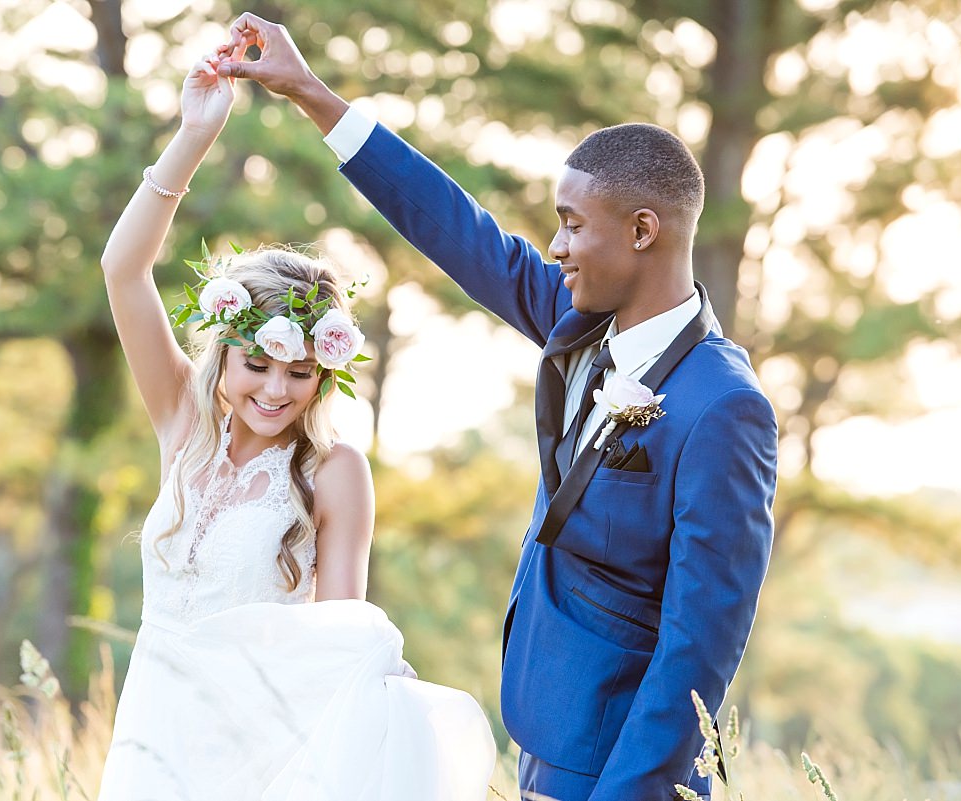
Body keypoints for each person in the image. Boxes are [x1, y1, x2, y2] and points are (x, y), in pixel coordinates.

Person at [216, 15, 778, 801]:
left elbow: (698, 647)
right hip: (543, 743)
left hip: (619, 775)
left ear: (643, 231)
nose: (556, 247)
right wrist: (312, 95)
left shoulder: (724, 408)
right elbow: (459, 230)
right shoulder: (576, 325)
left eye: (574, 225)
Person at [95, 53, 495, 801]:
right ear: (225, 351)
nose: (277, 389)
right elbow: (124, 267)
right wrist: (193, 133)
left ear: (326, 372)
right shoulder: (182, 419)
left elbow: (338, 641)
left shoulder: (332, 469)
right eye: (257, 364)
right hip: (150, 742)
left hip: (260, 756)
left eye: (301, 371)